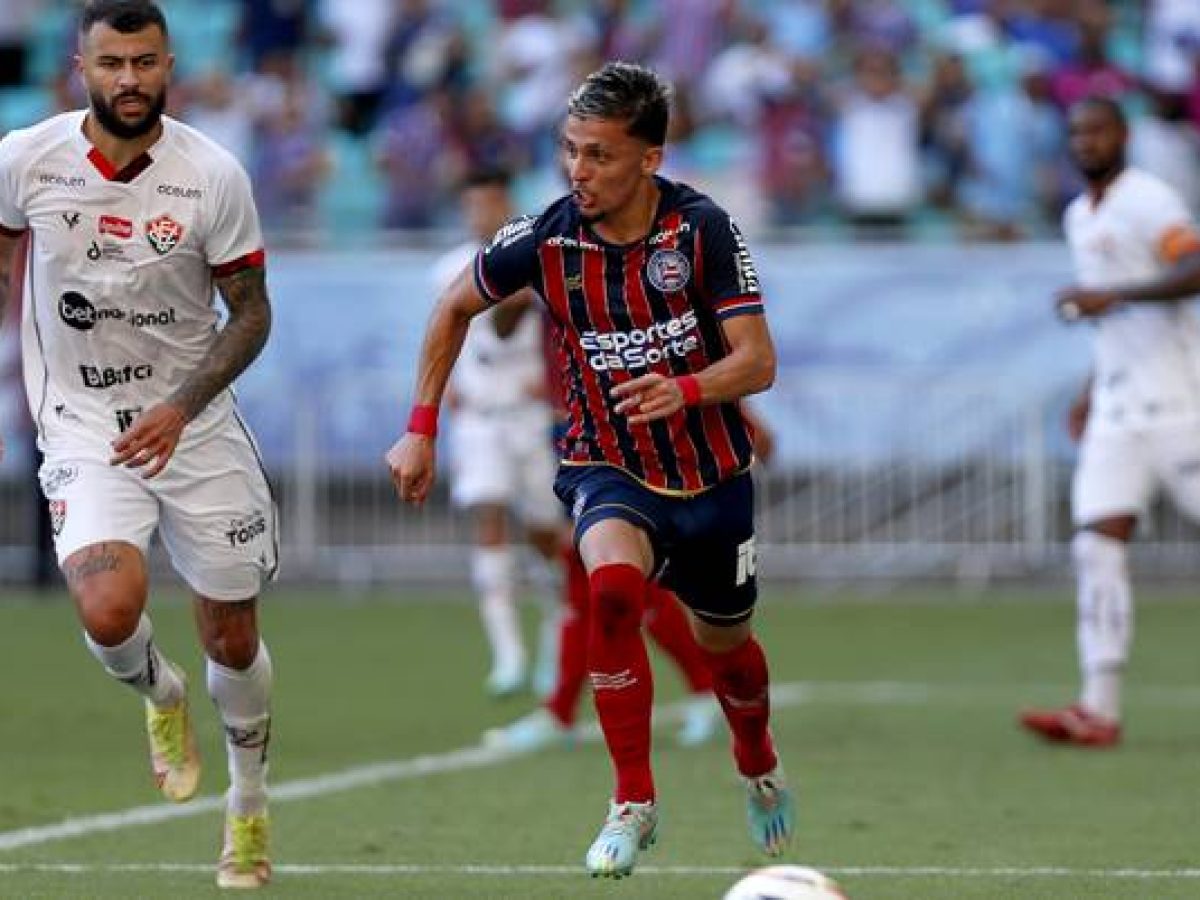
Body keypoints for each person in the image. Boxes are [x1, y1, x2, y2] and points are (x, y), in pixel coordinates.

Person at [387, 61, 794, 878]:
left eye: (600, 155)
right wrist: (421, 427)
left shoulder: (701, 232)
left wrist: (683, 387)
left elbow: (757, 362)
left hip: (711, 476)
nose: (579, 171)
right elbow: (452, 308)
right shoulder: (546, 237)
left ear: (649, 160)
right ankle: (633, 803)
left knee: (731, 652)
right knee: (610, 593)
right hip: (603, 463)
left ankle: (757, 761)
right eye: (570, 151)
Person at [0, 1, 277, 887]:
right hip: (82, 425)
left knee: (232, 638)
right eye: (113, 63)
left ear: (170, 66)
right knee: (109, 611)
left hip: (195, 431)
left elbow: (253, 310)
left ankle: (248, 808)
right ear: (78, 65)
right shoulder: (24, 161)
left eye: (146, 62)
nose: (130, 80)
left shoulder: (213, 174)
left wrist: (186, 403)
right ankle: (162, 696)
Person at [1019, 96, 1200, 748]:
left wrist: (1112, 295)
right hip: (1119, 413)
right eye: (1077, 132)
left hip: (1180, 406)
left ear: (1122, 135)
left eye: (1097, 130)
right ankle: (1098, 708)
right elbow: (1112, 326)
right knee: (1096, 546)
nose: (1086, 141)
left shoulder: (1149, 199)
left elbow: (1194, 267)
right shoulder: (1078, 215)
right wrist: (1090, 389)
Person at [435, 167, 567, 697]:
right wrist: (440, 388)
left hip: (530, 417)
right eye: (472, 205)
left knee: (544, 534)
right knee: (488, 517)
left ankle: (559, 637)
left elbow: (528, 319)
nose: (480, 214)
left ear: (506, 203)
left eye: (489, 203)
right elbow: (444, 331)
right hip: (480, 418)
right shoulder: (447, 269)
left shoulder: (535, 263)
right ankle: (507, 656)